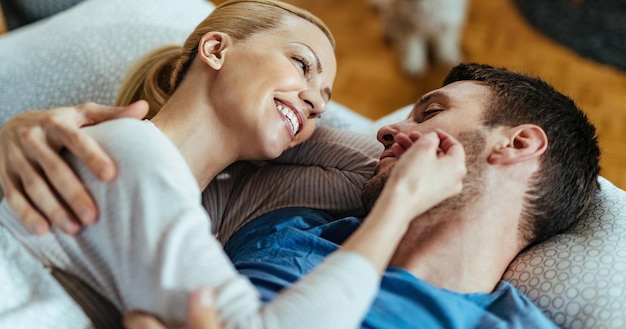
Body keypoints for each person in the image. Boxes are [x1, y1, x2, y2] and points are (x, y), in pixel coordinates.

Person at [0, 0, 468, 329]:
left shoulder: (204, 203)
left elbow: (367, 170)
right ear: (217, 49)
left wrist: (294, 118)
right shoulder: (132, 152)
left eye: (323, 103)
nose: (316, 104)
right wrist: (400, 204)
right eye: (302, 65)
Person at [122, 62, 601, 329]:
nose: (387, 130)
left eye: (430, 113)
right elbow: (211, 131)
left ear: (517, 144)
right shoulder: (289, 227)